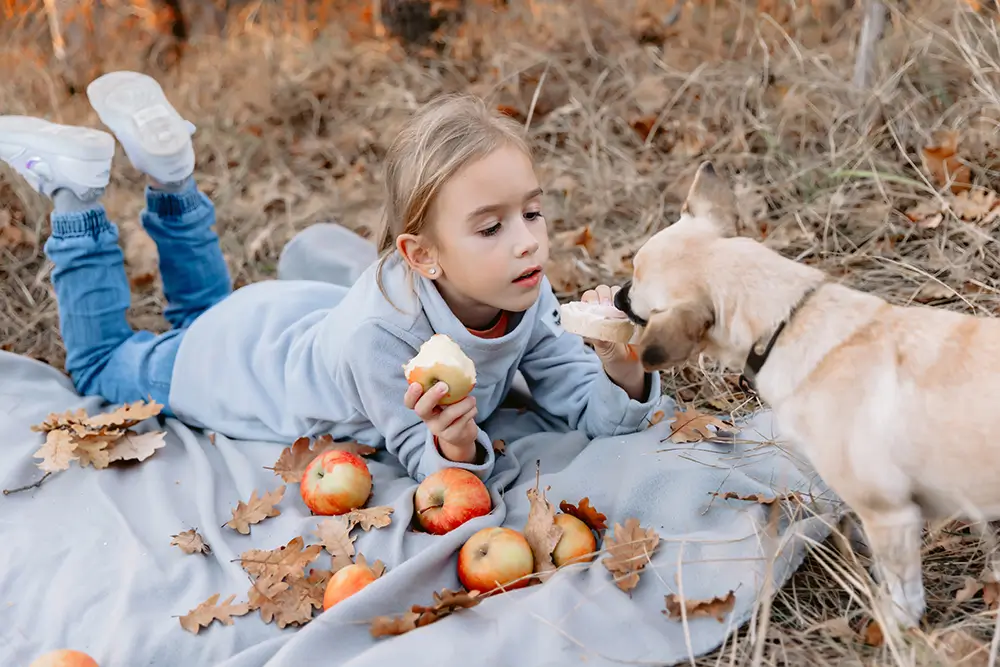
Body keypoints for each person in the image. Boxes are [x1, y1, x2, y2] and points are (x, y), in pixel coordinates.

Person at [0, 72, 662, 482]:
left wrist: (621, 370)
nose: (527, 241)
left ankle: (171, 173)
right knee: (101, 364)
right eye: (491, 227)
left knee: (200, 309)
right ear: (423, 256)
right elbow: (427, 462)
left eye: (533, 212)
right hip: (234, 368)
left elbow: (585, 403)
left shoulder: (523, 286)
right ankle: (75, 197)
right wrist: (455, 442)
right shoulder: (385, 339)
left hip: (282, 317)